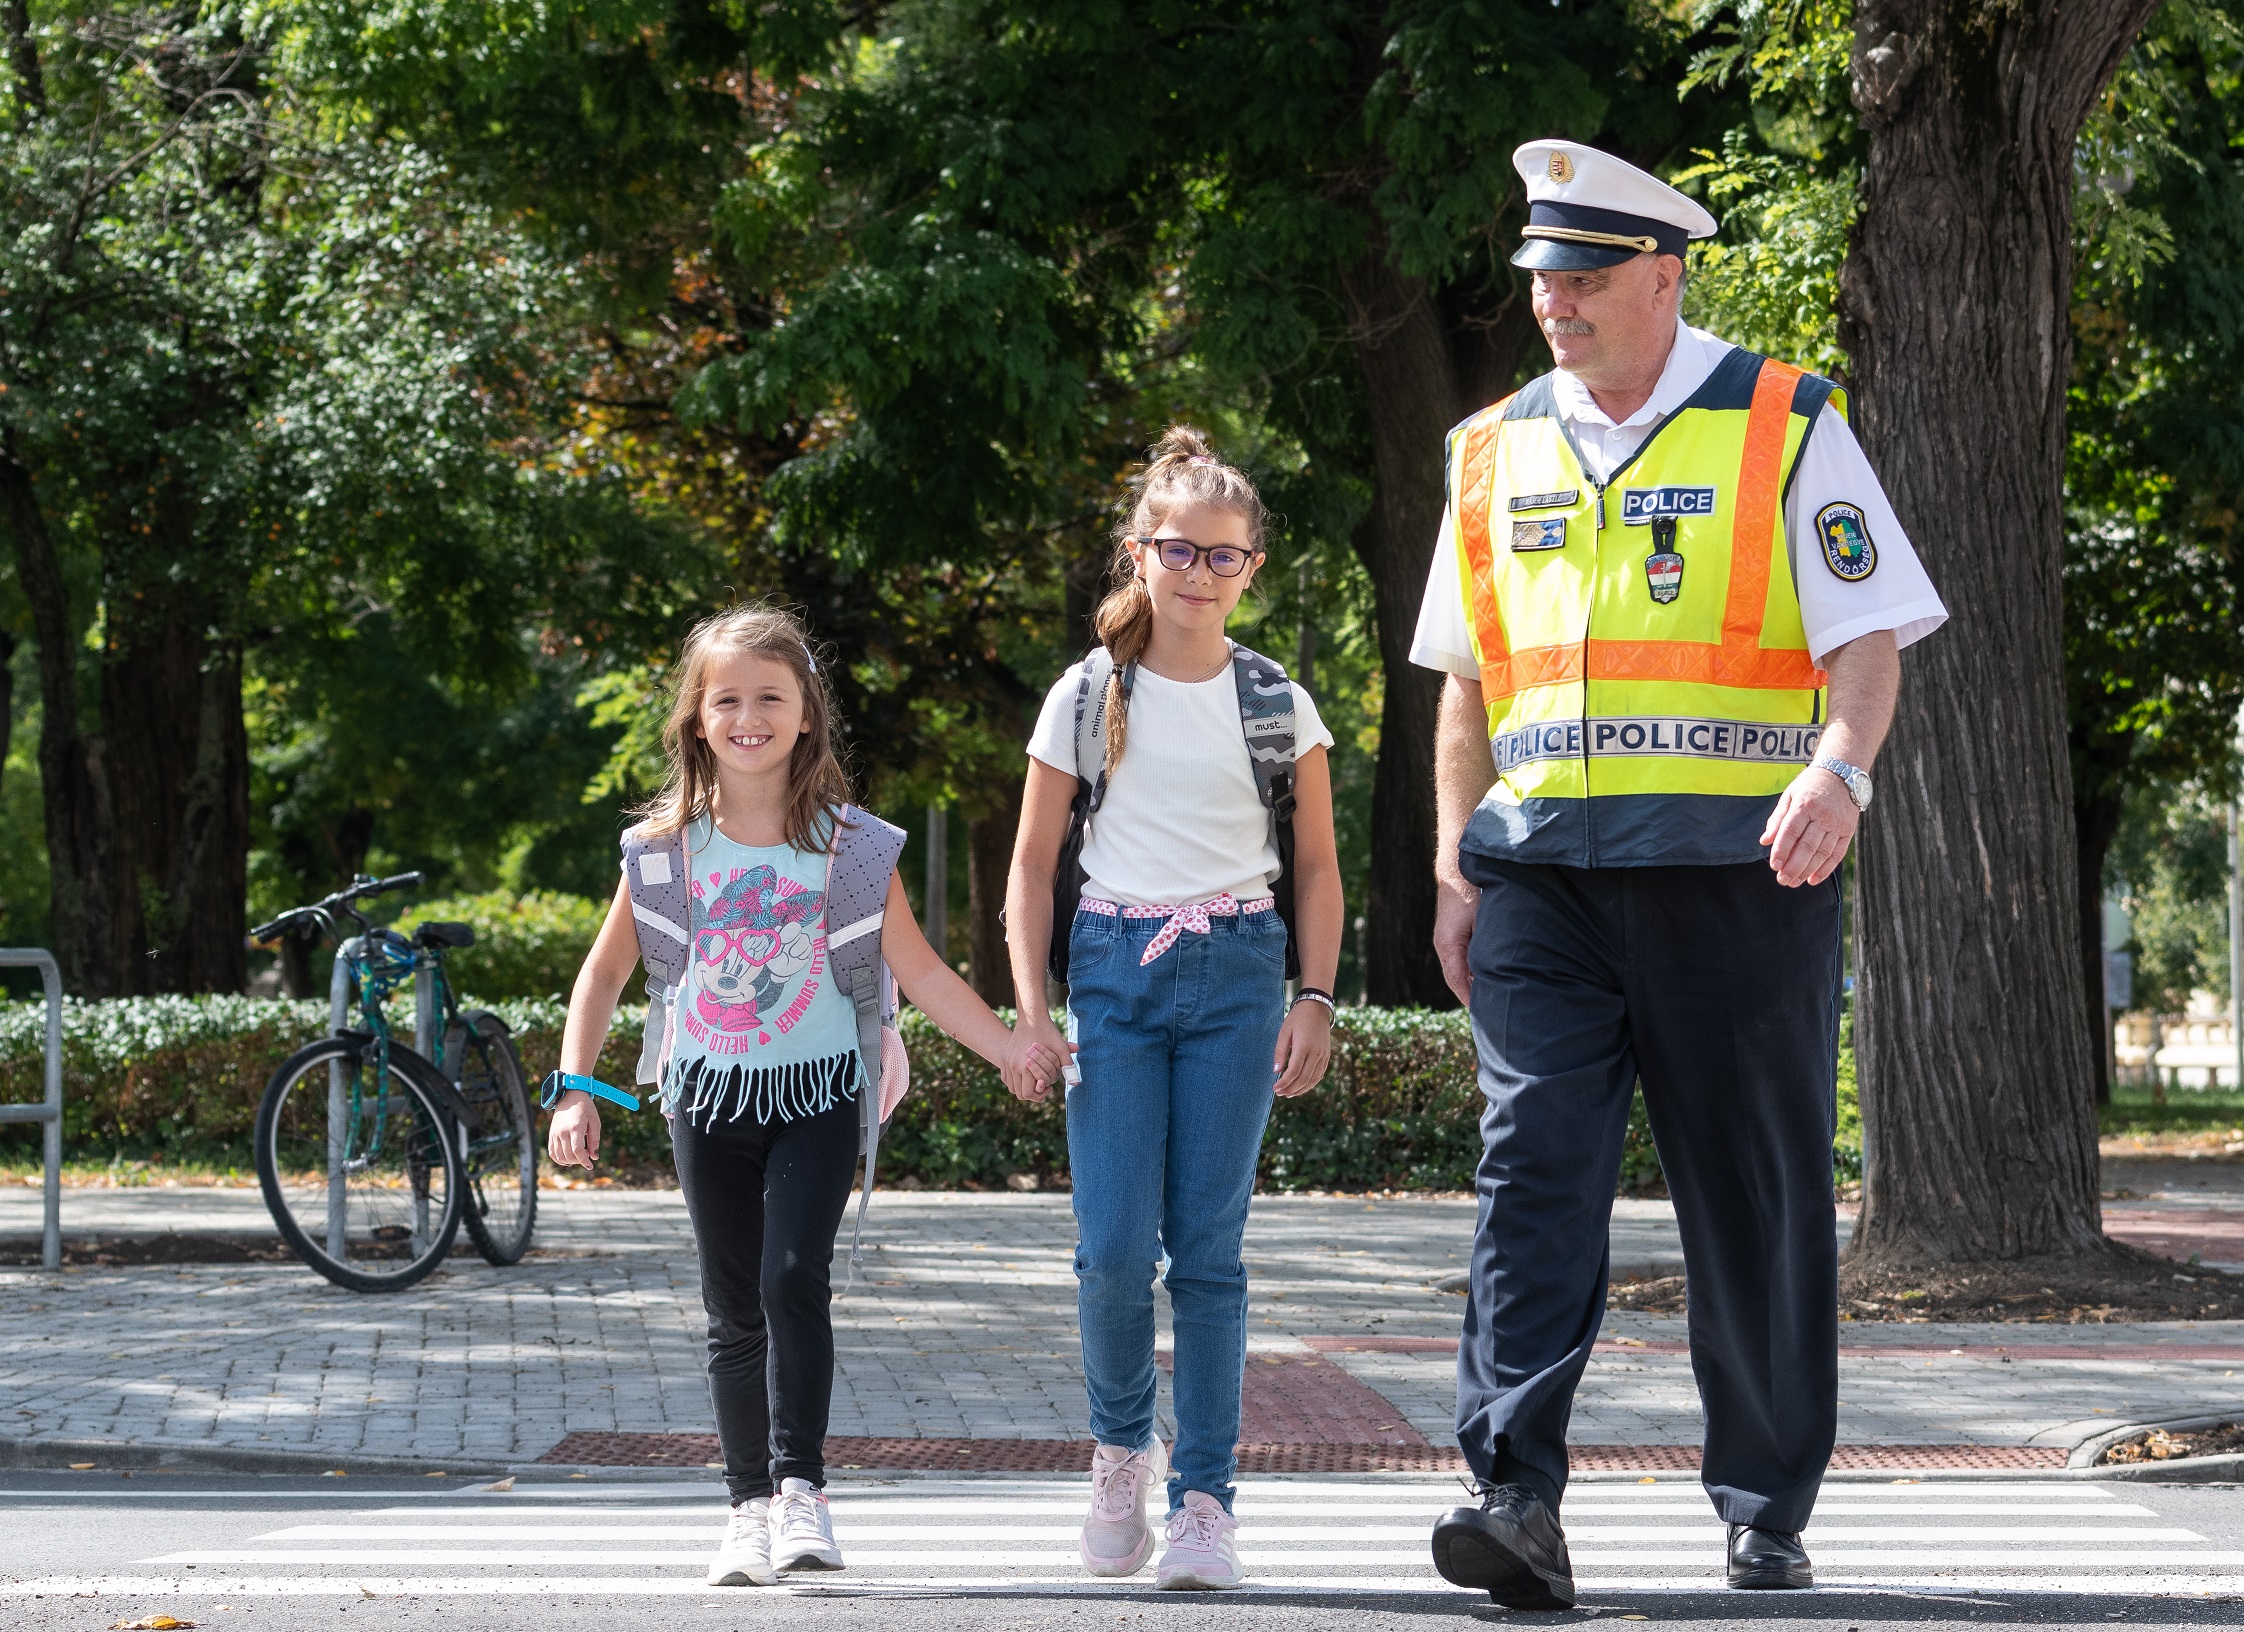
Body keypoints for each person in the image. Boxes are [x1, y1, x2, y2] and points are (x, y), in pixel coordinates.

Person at [1415, 142, 1948, 1607]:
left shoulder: (1786, 421)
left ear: (1665, 276)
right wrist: (1458, 870)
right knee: (1532, 1171)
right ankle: (1510, 1490)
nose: (1555, 308)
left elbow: (1868, 641)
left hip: (1738, 874)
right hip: (1543, 882)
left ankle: (1766, 1498)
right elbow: (1464, 684)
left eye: (1585, 281)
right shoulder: (1488, 447)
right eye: (1543, 283)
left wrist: (1837, 777)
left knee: (1756, 1191)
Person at [545, 604, 1060, 1589]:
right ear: (698, 718)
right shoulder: (665, 850)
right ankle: (745, 1508)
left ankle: (801, 1492)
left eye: (769, 698)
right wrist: (576, 1089)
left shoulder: (851, 848)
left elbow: (925, 971)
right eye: (727, 699)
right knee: (732, 1306)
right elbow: (601, 976)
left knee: (793, 1281)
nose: (749, 717)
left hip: (823, 1097)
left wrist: (1007, 1048)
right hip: (706, 1100)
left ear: (807, 716)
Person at [1005, 427, 1346, 1590]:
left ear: (1252, 567)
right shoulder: (1089, 692)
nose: (1200, 574)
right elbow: (1034, 866)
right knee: (1109, 1252)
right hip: (1112, 968)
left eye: (1224, 557)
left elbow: (1313, 868)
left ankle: (1205, 1500)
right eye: (1178, 551)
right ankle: (1116, 1458)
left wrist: (1315, 991)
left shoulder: (1275, 701)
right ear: (1139, 555)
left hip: (1240, 970)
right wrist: (1031, 1009)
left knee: (1207, 1256)